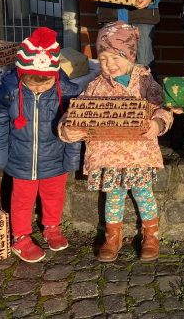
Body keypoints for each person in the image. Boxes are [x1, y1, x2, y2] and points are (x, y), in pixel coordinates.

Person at [59, 21, 173, 263]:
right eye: (103, 59)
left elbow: (162, 109)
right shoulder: (95, 86)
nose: (109, 65)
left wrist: (158, 124)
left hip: (138, 153)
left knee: (144, 194)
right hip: (108, 156)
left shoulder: (145, 83)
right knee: (113, 196)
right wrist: (68, 129)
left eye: (116, 58)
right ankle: (113, 236)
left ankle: (151, 234)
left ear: (130, 56)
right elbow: (76, 111)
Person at [0, 28, 81, 263]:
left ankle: (51, 227)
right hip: (20, 158)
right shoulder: (9, 91)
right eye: (32, 83)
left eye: (44, 83)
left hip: (54, 157)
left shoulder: (65, 92)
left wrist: (72, 157)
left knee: (54, 194)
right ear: (21, 74)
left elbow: (76, 125)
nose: (38, 88)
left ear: (54, 76)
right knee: (22, 200)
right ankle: (21, 236)